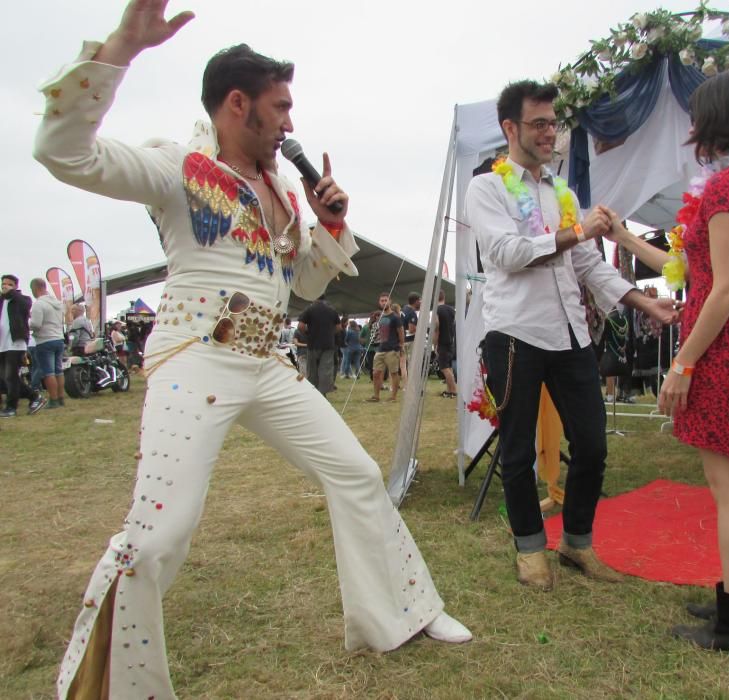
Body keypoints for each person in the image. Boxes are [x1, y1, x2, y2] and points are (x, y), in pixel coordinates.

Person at [33, 4, 469, 697]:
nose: (292, 123)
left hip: (269, 363)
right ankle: (108, 688)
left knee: (356, 474)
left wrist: (328, 224)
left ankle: (403, 614)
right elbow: (65, 153)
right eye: (281, 107)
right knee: (156, 536)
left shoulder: (281, 191)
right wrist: (121, 47)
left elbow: (300, 283)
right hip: (196, 357)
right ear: (238, 105)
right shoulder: (178, 166)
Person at [464, 80, 677, 592]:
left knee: (593, 445)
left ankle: (577, 543)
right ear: (509, 128)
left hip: (571, 335)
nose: (549, 133)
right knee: (516, 452)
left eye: (553, 123)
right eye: (538, 123)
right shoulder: (486, 188)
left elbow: (587, 265)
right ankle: (530, 550)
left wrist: (642, 301)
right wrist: (579, 230)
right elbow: (509, 254)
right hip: (515, 334)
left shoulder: (561, 193)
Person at [607, 67, 729, 655]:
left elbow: (724, 289)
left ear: (719, 117)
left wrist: (682, 363)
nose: (693, 122)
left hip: (727, 343)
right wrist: (625, 239)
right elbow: (695, 272)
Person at [1, 274, 42, 416]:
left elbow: (25, 307)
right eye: (3, 284)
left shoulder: (22, 300)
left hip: (16, 344)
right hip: (2, 345)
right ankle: (34, 396)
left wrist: (12, 293)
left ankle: (11, 408)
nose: (5, 286)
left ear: (15, 286)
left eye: (9, 284)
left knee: (11, 377)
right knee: (5, 378)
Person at [29, 278, 65, 409]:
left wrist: (27, 323)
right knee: (59, 371)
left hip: (45, 340)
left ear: (35, 289)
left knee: (48, 372)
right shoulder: (57, 303)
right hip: (59, 338)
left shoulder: (39, 304)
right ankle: (61, 398)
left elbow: (36, 324)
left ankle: (53, 400)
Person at [297, 295, 340, 394]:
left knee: (312, 371)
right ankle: (323, 394)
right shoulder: (332, 310)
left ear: (314, 297)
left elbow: (301, 326)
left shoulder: (309, 309)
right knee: (325, 371)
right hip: (328, 344)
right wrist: (329, 333)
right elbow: (338, 327)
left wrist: (309, 332)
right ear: (325, 298)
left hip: (313, 344)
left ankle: (313, 393)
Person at [369, 292, 403, 402]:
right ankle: (376, 396)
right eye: (382, 300)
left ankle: (393, 397)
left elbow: (401, 332)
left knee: (393, 373)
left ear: (390, 301)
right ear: (379, 302)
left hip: (392, 349)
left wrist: (401, 345)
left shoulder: (395, 317)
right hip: (380, 349)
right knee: (375, 373)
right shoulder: (380, 317)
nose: (384, 302)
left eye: (385, 300)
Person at [433, 289, 457, 398]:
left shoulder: (437, 310)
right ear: (444, 297)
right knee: (449, 367)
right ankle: (449, 390)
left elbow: (436, 327)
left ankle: (453, 391)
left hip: (442, 341)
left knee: (444, 368)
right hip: (451, 341)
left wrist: (435, 343)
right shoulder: (452, 310)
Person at [401, 292, 420, 386]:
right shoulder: (412, 312)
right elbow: (412, 329)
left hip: (402, 340)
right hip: (410, 341)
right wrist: (420, 328)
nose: (420, 302)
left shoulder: (404, 309)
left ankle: (406, 384)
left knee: (403, 364)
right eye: (419, 300)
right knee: (412, 363)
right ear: (415, 301)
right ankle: (412, 384)